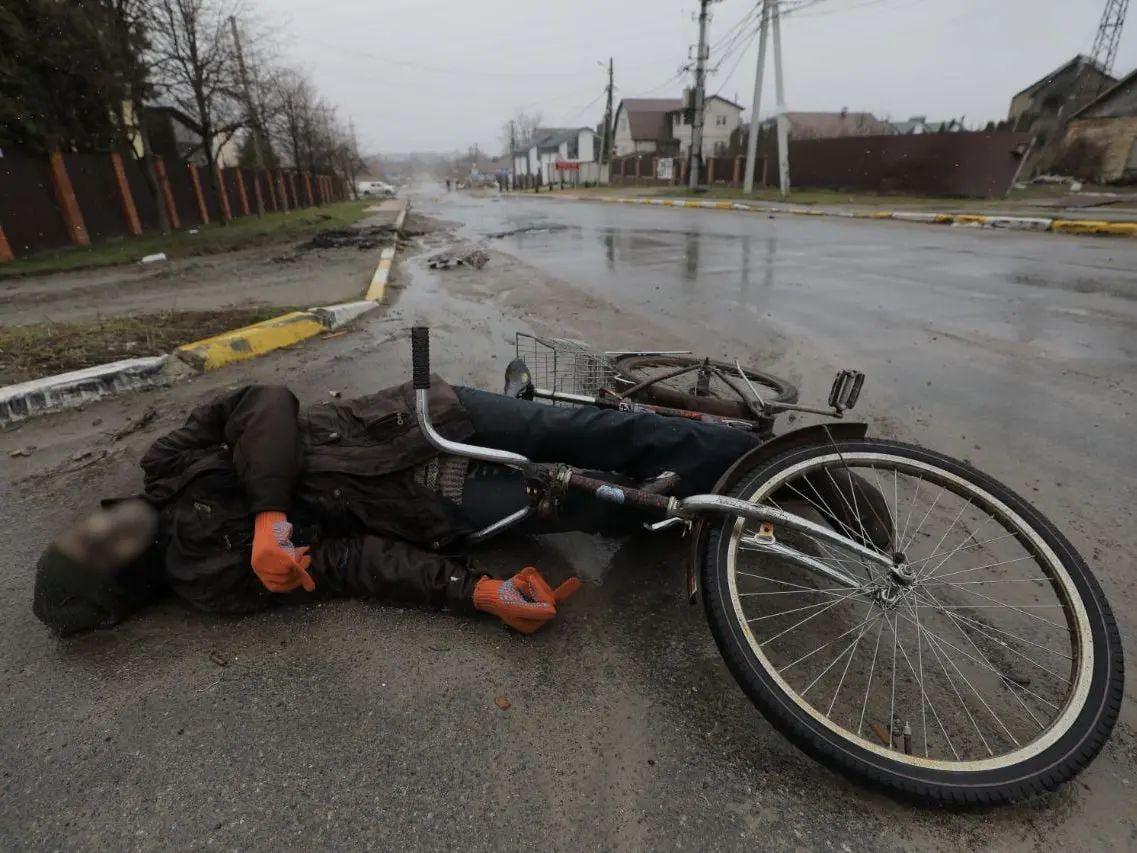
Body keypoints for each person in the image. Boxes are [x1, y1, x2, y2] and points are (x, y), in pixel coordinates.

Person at [33, 376, 767, 638]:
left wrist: (267, 514)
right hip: (429, 504)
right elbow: (351, 564)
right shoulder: (211, 583)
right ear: (122, 582)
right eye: (96, 549)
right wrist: (476, 592)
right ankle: (736, 504)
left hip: (412, 424)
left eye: (82, 529)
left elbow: (264, 402)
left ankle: (782, 465)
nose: (100, 525)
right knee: (603, 501)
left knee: (591, 431)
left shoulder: (164, 463)